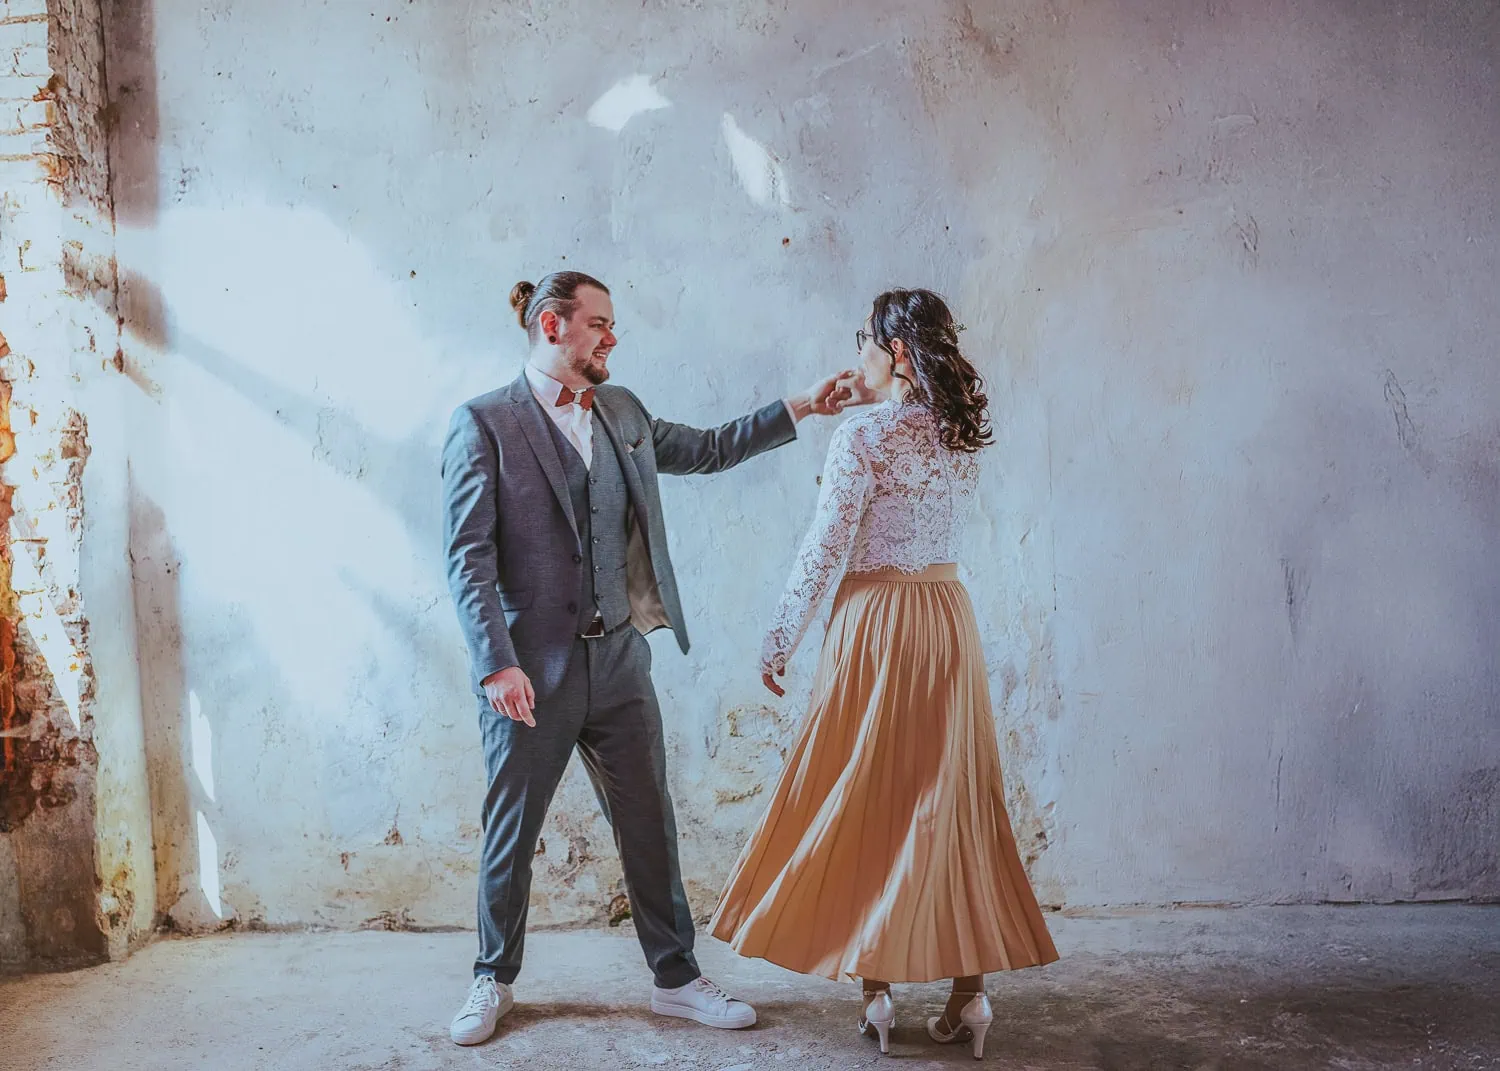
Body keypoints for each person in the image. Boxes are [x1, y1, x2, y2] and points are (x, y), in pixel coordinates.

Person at [441, 269, 861, 1046]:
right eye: (599, 323)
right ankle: (491, 978)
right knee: (512, 828)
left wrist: (802, 404)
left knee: (650, 823)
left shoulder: (623, 410)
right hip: (530, 675)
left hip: (623, 664)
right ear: (552, 325)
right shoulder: (483, 423)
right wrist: (497, 664)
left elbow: (705, 449)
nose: (612, 337)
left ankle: (676, 977)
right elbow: (466, 556)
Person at [710, 288, 1059, 1059]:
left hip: (876, 625)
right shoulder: (958, 431)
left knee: (872, 797)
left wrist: (779, 636)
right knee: (950, 801)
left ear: (896, 352)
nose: (857, 354)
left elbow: (824, 547)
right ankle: (971, 995)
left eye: (865, 341)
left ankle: (877, 992)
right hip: (946, 617)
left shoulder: (862, 438)